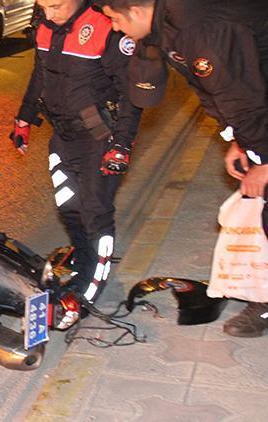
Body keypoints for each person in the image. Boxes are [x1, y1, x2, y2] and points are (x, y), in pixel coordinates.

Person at [97, 0, 268, 337]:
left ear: (135, 9)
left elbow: (243, 98)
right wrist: (237, 139)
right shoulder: (169, 28)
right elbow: (212, 91)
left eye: (114, 19)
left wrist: (264, 157)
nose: (115, 28)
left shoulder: (199, 29)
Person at [12, 0, 142, 329]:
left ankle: (87, 292)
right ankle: (85, 261)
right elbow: (41, 71)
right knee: (69, 208)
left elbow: (133, 93)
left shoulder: (106, 25)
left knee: (94, 211)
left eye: (56, 6)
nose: (49, 13)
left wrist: (121, 144)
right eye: (43, 6)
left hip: (100, 135)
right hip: (62, 134)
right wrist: (25, 117)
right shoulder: (44, 22)